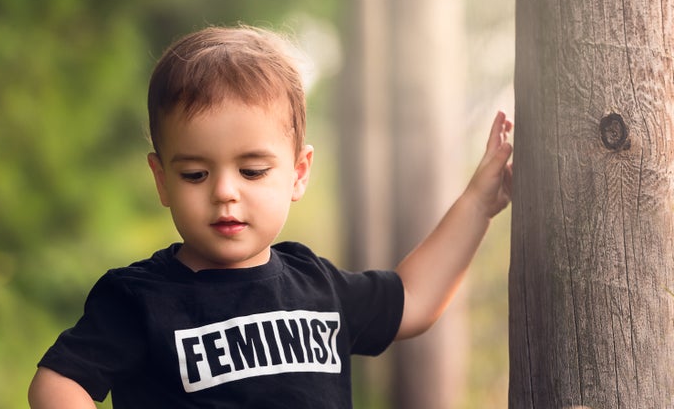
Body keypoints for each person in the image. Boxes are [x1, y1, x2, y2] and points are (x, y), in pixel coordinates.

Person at [28, 25, 513, 409]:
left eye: (253, 171)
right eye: (195, 174)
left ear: (299, 173)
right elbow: (58, 380)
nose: (224, 193)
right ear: (161, 181)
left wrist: (477, 203)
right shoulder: (140, 298)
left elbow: (413, 299)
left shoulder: (316, 285)